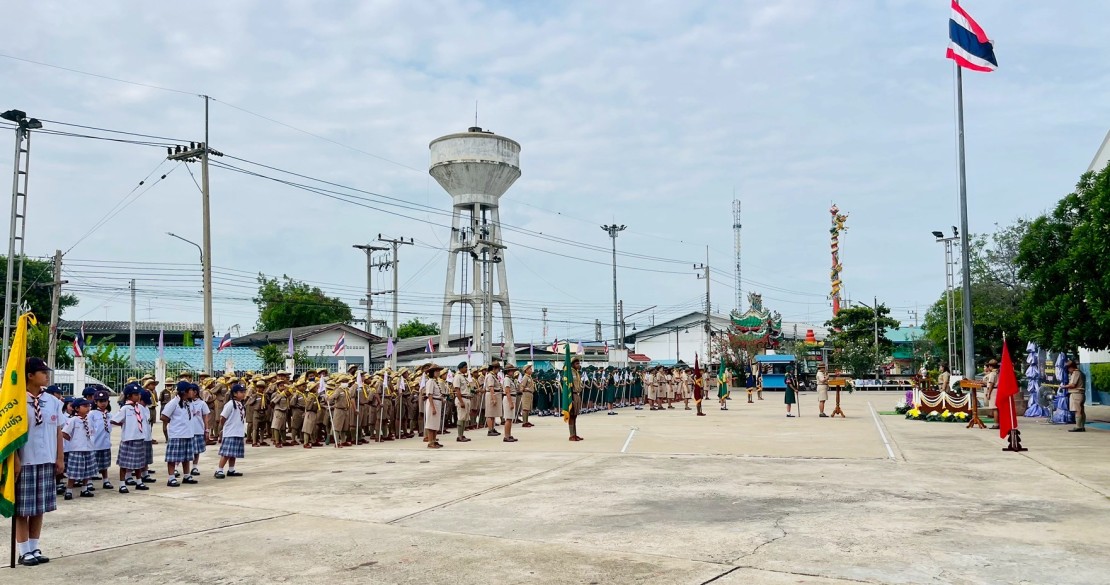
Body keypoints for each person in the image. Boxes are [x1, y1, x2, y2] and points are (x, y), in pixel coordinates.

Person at [14, 357, 65, 567]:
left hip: (46, 460)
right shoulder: (15, 401)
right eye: (42, 372)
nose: (47, 375)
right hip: (25, 461)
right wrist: (15, 459)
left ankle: (34, 547)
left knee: (39, 508)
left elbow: (58, 431)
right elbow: (9, 434)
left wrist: (60, 457)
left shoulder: (53, 402)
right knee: (22, 509)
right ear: (30, 375)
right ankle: (23, 550)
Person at [110, 384, 150, 493]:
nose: (138, 396)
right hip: (128, 439)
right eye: (135, 394)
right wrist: (125, 424)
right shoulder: (125, 408)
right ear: (129, 396)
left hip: (139, 438)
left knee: (139, 463)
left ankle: (139, 482)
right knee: (124, 463)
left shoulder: (140, 408)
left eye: (138, 394)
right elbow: (114, 420)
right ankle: (122, 484)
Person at [161, 382, 198, 487]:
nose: (193, 392)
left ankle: (187, 475)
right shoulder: (173, 403)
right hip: (177, 434)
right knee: (173, 457)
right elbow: (163, 416)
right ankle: (171, 478)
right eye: (190, 390)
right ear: (184, 392)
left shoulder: (189, 403)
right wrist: (175, 423)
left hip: (188, 433)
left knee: (186, 457)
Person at [62, 399, 98, 499]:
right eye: (85, 406)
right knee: (74, 471)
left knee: (87, 470)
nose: (88, 408)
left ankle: (84, 489)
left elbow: (92, 431)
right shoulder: (73, 420)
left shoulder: (89, 419)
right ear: (77, 408)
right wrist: (72, 440)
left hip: (89, 448)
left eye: (88, 406)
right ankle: (69, 490)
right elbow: (64, 432)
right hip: (76, 449)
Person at [216, 384, 248, 478]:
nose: (243, 394)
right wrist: (224, 427)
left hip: (238, 432)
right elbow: (223, 417)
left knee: (233, 453)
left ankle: (231, 469)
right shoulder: (230, 404)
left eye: (244, 392)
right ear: (234, 393)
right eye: (241, 392)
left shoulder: (240, 404)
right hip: (231, 432)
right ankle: (219, 470)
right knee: (227, 453)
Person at [89, 389, 114, 491]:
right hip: (95, 443)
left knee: (105, 464)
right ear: (95, 402)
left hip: (105, 443)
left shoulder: (109, 414)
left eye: (105, 401)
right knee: (92, 464)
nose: (103, 403)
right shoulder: (92, 414)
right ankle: (89, 482)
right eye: (100, 401)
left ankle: (105, 480)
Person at [423, 364, 445, 448]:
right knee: (431, 424)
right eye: (437, 371)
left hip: (437, 402)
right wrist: (433, 408)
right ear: (432, 372)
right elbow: (430, 395)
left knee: (435, 424)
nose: (438, 372)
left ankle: (434, 440)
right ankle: (430, 442)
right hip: (433, 403)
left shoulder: (436, 381)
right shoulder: (430, 382)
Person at [1064, 360, 1087, 432]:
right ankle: (1082, 426)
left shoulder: (1075, 373)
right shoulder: (1081, 373)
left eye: (1068, 368)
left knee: (1077, 411)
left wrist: (1064, 386)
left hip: (1076, 394)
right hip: (1081, 394)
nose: (1068, 370)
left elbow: (1073, 385)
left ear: (1071, 367)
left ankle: (1078, 426)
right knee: (1081, 410)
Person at [453, 362, 473, 442]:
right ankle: (459, 436)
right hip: (462, 398)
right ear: (461, 368)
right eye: (465, 367)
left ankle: (462, 434)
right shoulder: (457, 377)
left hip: (466, 398)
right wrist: (461, 401)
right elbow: (457, 390)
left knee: (464, 418)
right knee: (461, 417)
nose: (466, 369)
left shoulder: (464, 377)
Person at [484, 362, 503, 437]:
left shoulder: (494, 376)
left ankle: (492, 428)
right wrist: (494, 398)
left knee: (493, 414)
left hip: (495, 394)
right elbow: (491, 387)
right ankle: (490, 430)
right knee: (490, 413)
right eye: (498, 369)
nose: (498, 371)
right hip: (491, 395)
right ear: (494, 368)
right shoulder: (490, 376)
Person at [568, 357, 585, 441]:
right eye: (576, 363)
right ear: (572, 364)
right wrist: (570, 398)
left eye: (579, 363)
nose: (578, 365)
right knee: (571, 415)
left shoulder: (577, 373)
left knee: (575, 415)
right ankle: (571, 435)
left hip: (577, 395)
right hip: (572, 395)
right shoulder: (570, 373)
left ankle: (575, 434)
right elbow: (568, 386)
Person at [501, 364, 518, 442]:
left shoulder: (510, 379)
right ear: (508, 371)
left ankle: (509, 434)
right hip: (509, 399)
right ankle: (506, 436)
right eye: (512, 370)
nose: (513, 372)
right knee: (508, 418)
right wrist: (510, 403)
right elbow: (507, 391)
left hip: (511, 398)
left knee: (510, 419)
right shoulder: (507, 379)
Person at [983, 359, 1000, 430]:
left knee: (995, 408)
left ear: (991, 366)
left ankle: (996, 424)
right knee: (998, 408)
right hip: (998, 390)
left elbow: (991, 384)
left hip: (993, 391)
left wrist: (988, 393)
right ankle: (1000, 423)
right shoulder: (999, 372)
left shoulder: (992, 373)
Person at [520, 363, 536, 427]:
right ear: (526, 370)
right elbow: (522, 387)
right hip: (526, 394)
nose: (531, 370)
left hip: (530, 394)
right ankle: (524, 422)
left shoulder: (529, 377)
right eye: (530, 369)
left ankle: (526, 421)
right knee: (525, 408)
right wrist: (527, 389)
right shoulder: (525, 377)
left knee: (528, 408)